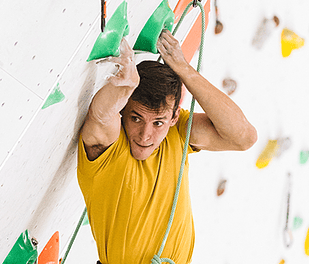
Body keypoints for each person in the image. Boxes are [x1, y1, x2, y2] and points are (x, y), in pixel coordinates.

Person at [77, 30, 257, 264]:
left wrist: (185, 70)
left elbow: (243, 137)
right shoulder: (109, 149)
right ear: (123, 111)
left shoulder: (177, 133)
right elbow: (101, 116)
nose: (145, 135)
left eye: (158, 122)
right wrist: (124, 85)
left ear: (173, 118)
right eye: (136, 118)